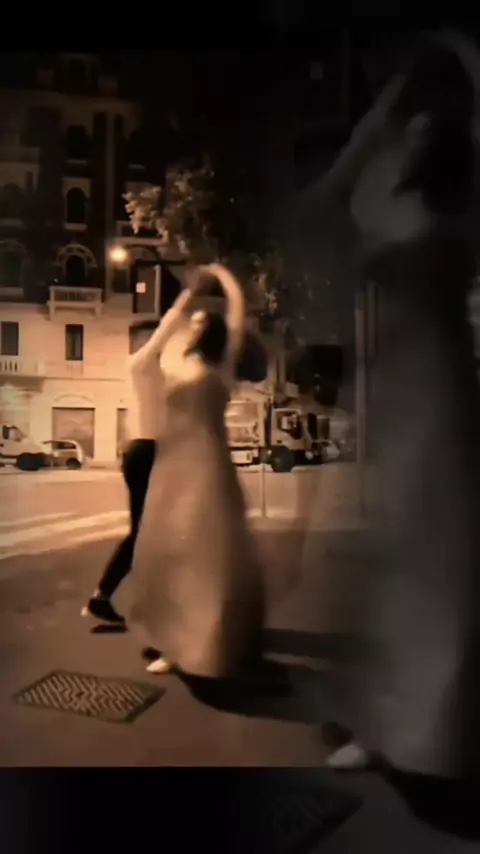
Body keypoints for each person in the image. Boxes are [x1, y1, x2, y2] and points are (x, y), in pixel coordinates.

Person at [127, 262, 267, 677]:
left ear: (213, 333)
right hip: (171, 466)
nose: (194, 324)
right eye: (193, 320)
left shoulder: (222, 368)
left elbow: (237, 314)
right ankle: (174, 642)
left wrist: (222, 276)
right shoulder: (175, 364)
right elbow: (149, 351)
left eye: (200, 321)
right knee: (169, 553)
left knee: (205, 555)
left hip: (207, 467)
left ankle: (207, 641)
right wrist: (186, 298)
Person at [81, 305, 195, 626]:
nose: (159, 343)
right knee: (145, 534)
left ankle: (108, 598)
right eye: (150, 337)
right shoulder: (139, 364)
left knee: (150, 532)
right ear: (138, 341)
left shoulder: (158, 374)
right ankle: (109, 598)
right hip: (144, 452)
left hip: (152, 452)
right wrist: (187, 299)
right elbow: (166, 331)